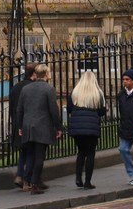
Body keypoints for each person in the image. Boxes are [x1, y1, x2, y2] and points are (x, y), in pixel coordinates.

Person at [16, 64, 62, 194]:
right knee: (40, 156)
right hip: (42, 126)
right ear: (46, 74)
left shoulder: (25, 89)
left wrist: (20, 126)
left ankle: (34, 181)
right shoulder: (49, 89)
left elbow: (19, 109)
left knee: (31, 154)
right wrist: (58, 127)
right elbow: (54, 110)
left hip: (27, 126)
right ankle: (34, 184)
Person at [66, 70, 107, 189]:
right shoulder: (98, 93)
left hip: (77, 127)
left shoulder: (75, 92)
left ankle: (78, 178)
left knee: (81, 152)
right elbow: (102, 111)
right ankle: (88, 182)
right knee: (90, 153)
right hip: (91, 128)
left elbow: (69, 109)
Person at [8, 62, 37, 188]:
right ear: (34, 73)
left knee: (23, 151)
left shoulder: (16, 87)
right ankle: (26, 179)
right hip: (29, 124)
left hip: (17, 123)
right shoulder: (33, 87)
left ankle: (19, 175)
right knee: (31, 152)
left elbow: (11, 107)